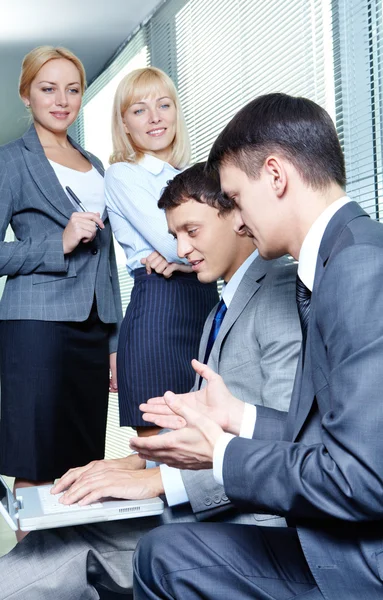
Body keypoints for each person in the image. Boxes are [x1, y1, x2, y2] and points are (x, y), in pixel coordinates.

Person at [0, 163, 301, 600]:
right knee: (64, 530)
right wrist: (133, 464)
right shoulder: (222, 305)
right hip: (207, 500)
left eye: (191, 230)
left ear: (236, 214)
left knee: (62, 548)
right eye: (175, 234)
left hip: (247, 521)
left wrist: (157, 482)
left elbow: (285, 441)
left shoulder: (277, 291)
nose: (180, 248)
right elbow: (212, 431)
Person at [132, 93, 383, 600]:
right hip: (342, 540)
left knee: (164, 555)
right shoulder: (342, 256)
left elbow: (362, 479)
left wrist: (222, 455)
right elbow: (340, 443)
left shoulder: (357, 268)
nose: (239, 220)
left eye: (237, 198)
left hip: (362, 565)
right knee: (162, 551)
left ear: (275, 175)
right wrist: (240, 418)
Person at [0, 46, 122, 540]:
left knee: (81, 467)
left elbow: (107, 263)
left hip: (92, 330)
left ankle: (71, 578)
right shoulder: (10, 161)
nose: (62, 99)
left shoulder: (96, 164)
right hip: (36, 328)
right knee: (37, 462)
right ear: (25, 94)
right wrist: (59, 242)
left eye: (72, 89)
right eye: (48, 88)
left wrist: (114, 343)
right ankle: (29, 582)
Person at [105, 68, 218, 435]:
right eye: (139, 110)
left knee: (209, 442)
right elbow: (177, 244)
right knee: (161, 451)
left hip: (208, 306)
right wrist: (185, 257)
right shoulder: (123, 174)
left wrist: (183, 263)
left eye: (163, 105)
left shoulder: (197, 175)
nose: (155, 117)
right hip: (159, 312)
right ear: (124, 123)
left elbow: (226, 244)